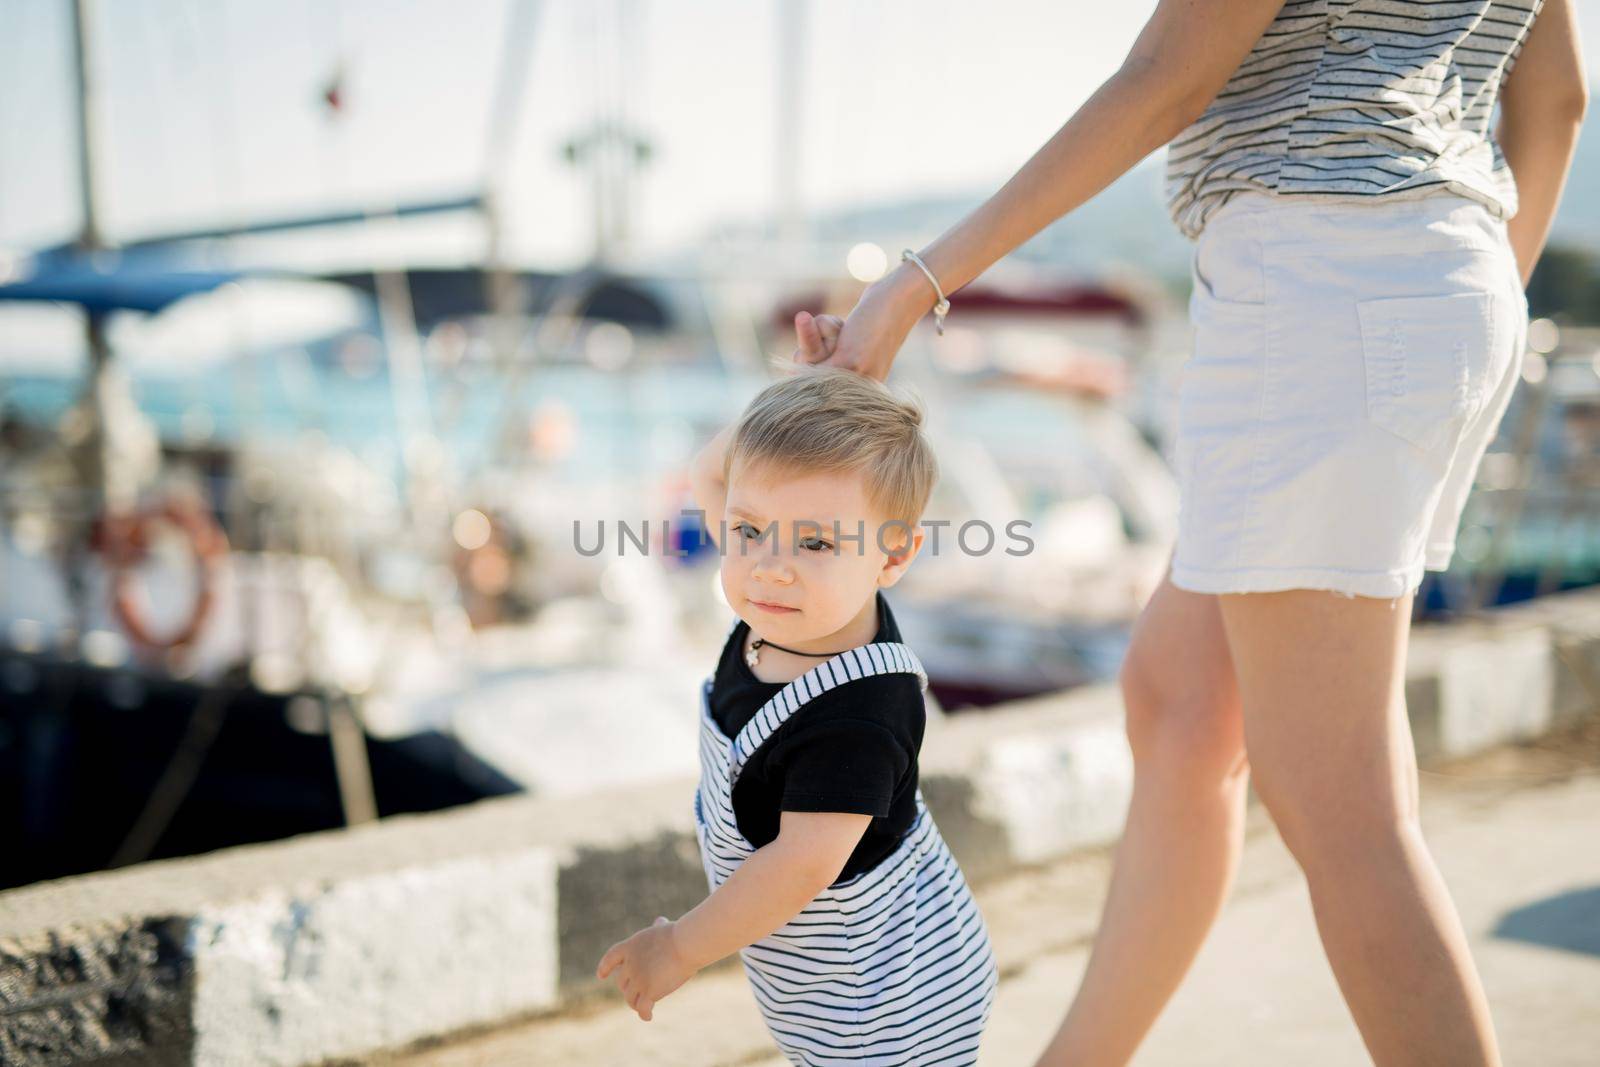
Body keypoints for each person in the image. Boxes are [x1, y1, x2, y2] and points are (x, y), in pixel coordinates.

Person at [793, 1, 1587, 1064]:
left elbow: (1169, 76)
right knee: (1183, 704)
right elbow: (1558, 95)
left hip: (1316, 277)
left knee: (1342, 806)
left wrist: (917, 281)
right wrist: (1456, 294)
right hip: (1441, 265)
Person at [595, 367, 999, 1065]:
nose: (768, 567)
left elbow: (801, 865)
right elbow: (712, 468)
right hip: (822, 985)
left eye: (814, 543)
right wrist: (824, 379)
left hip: (889, 1004)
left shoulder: (859, 716)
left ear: (893, 555)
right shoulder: (798, 611)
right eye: (748, 529)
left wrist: (679, 947)